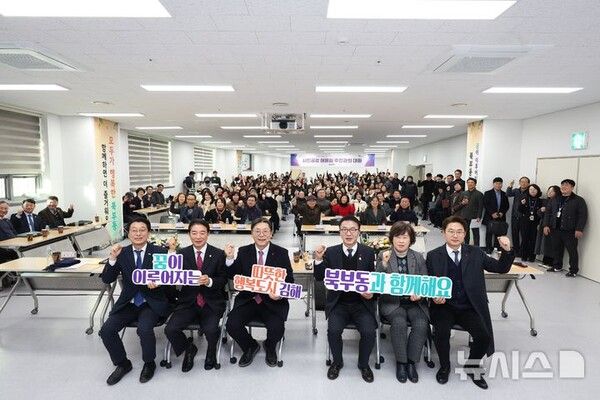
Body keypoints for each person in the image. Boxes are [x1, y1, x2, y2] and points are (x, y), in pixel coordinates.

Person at [427, 216, 514, 390]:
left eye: (459, 232)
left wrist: (507, 250)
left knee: (484, 336)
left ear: (465, 234)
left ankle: (471, 366)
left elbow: (500, 268)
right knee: (441, 333)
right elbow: (427, 282)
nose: (455, 235)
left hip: (469, 306)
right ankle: (445, 366)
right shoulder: (433, 255)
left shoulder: (476, 253)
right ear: (443, 233)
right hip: (443, 306)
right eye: (451, 231)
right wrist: (433, 296)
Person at [98, 217, 174, 385]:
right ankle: (123, 364)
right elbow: (107, 279)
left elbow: (169, 279)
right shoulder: (121, 253)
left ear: (148, 232)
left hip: (151, 302)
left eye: (142, 230)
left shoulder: (160, 252)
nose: (138, 234)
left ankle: (149, 363)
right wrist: (112, 258)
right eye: (134, 230)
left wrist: (159, 282)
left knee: (144, 329)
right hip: (129, 302)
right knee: (106, 330)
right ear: (128, 233)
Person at [314, 215, 377, 383]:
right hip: (339, 303)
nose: (349, 233)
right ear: (339, 232)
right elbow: (319, 277)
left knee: (369, 331)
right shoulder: (331, 252)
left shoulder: (368, 252)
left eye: (353, 230)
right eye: (344, 229)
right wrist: (318, 259)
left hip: (362, 304)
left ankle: (364, 364)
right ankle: (337, 362)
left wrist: (372, 293)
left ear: (359, 231)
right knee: (333, 331)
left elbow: (374, 280)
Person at [225, 218, 294, 368]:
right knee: (231, 324)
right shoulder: (244, 251)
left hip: (272, 301)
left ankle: (270, 346)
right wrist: (229, 258)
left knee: (277, 328)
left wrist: (280, 293)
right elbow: (233, 274)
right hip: (248, 299)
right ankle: (250, 346)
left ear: (271, 233)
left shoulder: (281, 253)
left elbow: (289, 280)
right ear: (252, 233)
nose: (261, 235)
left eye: (265, 231)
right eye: (257, 231)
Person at [164, 220, 227, 372]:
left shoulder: (218, 254)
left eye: (202, 233)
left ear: (208, 234)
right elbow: (171, 276)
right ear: (189, 234)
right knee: (170, 329)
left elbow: (223, 279)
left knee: (211, 330)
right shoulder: (181, 254)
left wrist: (210, 281)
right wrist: (171, 253)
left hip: (211, 302)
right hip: (188, 302)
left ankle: (211, 352)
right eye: (194, 233)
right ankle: (189, 348)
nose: (198, 237)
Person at [376, 222, 429, 383]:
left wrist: (420, 294)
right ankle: (401, 362)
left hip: (414, 302)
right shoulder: (383, 255)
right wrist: (384, 264)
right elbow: (377, 281)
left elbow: (425, 282)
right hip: (392, 302)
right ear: (392, 239)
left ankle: (412, 362)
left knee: (421, 324)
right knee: (399, 323)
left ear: (410, 240)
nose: (401, 241)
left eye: (405, 237)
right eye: (397, 237)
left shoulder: (418, 257)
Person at [543, 179, 588, 277]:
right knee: (556, 249)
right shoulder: (555, 199)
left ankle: (573, 270)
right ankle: (557, 266)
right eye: (562, 185)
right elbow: (548, 213)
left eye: (566, 185)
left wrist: (579, 229)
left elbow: (583, 216)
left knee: (572, 251)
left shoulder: (578, 200)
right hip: (555, 229)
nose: (563, 187)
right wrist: (546, 225)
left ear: (572, 187)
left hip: (570, 231)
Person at [482, 177, 509, 253]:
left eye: (500, 183)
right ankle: (488, 249)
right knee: (489, 233)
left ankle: (497, 248)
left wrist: (502, 212)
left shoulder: (504, 194)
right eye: (496, 183)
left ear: (502, 184)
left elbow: (507, 205)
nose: (498, 185)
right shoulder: (487, 193)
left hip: (500, 217)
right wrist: (492, 213)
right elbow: (486, 204)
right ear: (493, 184)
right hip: (490, 216)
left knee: (499, 234)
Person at [506, 176, 530, 257]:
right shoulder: (516, 190)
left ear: (528, 183)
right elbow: (508, 194)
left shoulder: (529, 191)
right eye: (522, 181)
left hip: (524, 217)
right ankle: (516, 251)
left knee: (524, 235)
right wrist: (510, 186)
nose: (523, 183)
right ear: (519, 183)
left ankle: (523, 252)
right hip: (515, 216)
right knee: (515, 234)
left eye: (525, 182)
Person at [518, 184, 543, 262]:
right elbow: (520, 210)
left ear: (538, 191)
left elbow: (541, 213)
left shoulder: (540, 201)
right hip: (525, 222)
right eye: (530, 189)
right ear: (528, 191)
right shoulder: (524, 199)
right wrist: (522, 204)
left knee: (533, 239)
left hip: (535, 222)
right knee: (524, 239)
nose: (532, 191)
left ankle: (532, 257)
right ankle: (524, 256)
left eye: (534, 189)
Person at [538, 185, 560, 266]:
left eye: (552, 191)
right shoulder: (545, 201)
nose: (549, 193)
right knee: (545, 244)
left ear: (556, 192)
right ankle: (545, 260)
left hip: (553, 225)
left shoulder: (558, 201)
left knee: (552, 244)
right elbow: (539, 214)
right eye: (549, 191)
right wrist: (541, 210)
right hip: (544, 224)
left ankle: (551, 262)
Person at [0, 200, 19, 285]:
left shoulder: (6, 220)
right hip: (2, 248)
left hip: (9, 246)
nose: (4, 210)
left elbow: (14, 233)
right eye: (1, 208)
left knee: (16, 253)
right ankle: (5, 279)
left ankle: (16, 276)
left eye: (6, 209)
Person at [463, 178, 484, 248]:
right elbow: (461, 205)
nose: (470, 184)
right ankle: (466, 246)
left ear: (475, 184)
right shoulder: (464, 193)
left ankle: (476, 248)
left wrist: (479, 216)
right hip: (465, 216)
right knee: (466, 233)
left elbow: (481, 206)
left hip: (475, 217)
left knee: (476, 233)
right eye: (468, 182)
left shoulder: (479, 194)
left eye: (472, 182)